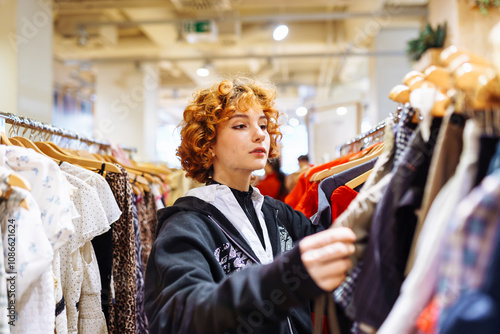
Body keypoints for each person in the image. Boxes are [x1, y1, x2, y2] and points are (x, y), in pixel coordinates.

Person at [145, 77, 356, 334]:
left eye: (264, 125)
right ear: (208, 143)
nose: (259, 135)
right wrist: (280, 279)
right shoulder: (186, 226)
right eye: (240, 125)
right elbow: (181, 315)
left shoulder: (279, 214)